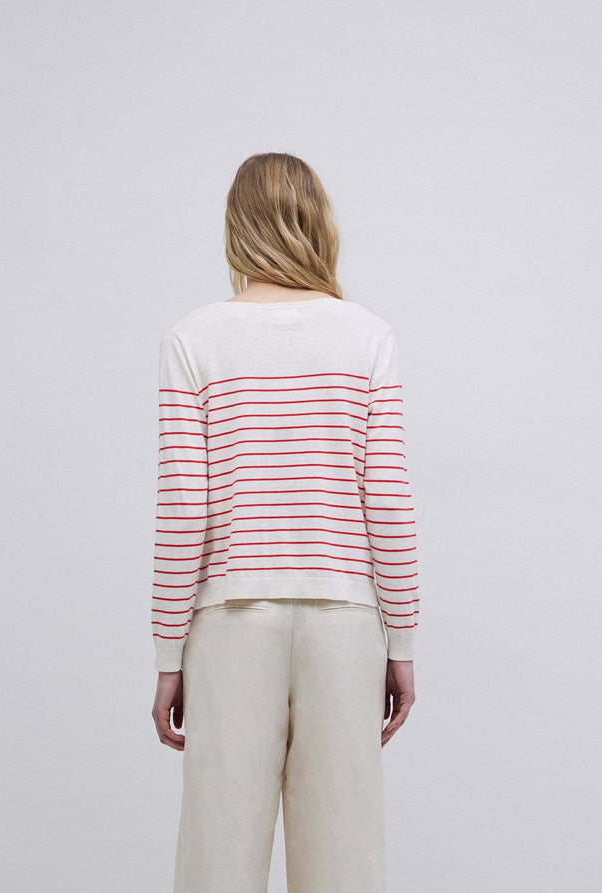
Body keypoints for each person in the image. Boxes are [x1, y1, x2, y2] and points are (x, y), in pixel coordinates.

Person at [150, 152, 420, 893]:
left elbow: (185, 507)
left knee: (216, 862)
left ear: (236, 226)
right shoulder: (367, 337)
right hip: (345, 624)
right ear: (317, 221)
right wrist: (401, 640)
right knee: (345, 864)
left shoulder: (194, 339)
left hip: (231, 623)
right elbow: (388, 500)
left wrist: (169, 654)